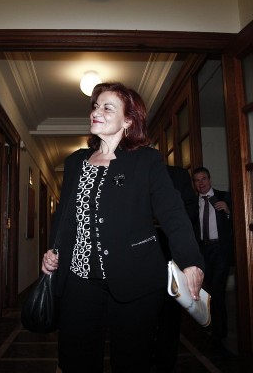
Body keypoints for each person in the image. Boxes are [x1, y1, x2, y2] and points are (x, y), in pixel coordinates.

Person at [41, 82, 205, 373]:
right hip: (78, 279)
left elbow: (173, 214)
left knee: (131, 362)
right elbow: (66, 216)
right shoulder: (75, 162)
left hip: (136, 279)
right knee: (76, 360)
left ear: (128, 120)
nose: (96, 112)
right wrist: (53, 251)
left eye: (107, 107)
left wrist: (191, 261)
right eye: (95, 106)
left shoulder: (146, 161)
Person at [152, 165, 199, 372]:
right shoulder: (130, 171)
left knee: (170, 308)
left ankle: (165, 362)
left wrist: (165, 218)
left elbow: (190, 207)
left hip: (170, 248)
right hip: (141, 252)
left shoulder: (176, 174)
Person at [192, 167, 233, 349]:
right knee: (210, 292)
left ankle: (217, 333)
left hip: (221, 251)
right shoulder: (193, 203)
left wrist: (229, 211)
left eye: (204, 179)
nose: (201, 183)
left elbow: (243, 220)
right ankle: (217, 328)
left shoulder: (224, 197)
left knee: (217, 290)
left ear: (210, 179)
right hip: (203, 252)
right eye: (197, 180)